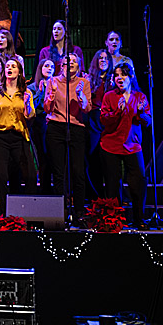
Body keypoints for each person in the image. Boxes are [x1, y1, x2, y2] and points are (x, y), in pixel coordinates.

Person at [99, 62, 150, 230]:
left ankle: (139, 219)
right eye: (117, 75)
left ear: (131, 77)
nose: (119, 78)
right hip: (111, 145)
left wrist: (141, 113)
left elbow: (147, 122)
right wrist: (117, 112)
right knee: (113, 184)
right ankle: (114, 221)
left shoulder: (140, 97)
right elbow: (104, 121)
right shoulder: (109, 96)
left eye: (123, 75)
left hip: (132, 145)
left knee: (138, 181)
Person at [0, 56, 36, 215]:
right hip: (0, 137)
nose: (10, 68)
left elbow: (30, 115)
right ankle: (4, 213)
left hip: (19, 137)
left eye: (13, 66)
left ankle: (27, 212)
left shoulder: (25, 92)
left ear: (19, 71)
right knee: (0, 175)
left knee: (30, 175)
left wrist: (27, 103)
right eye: (8, 66)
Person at [43, 54, 92, 219]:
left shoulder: (83, 83)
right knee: (58, 172)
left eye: (73, 62)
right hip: (56, 127)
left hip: (76, 127)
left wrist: (81, 97)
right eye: (66, 62)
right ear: (61, 65)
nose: (69, 64)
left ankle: (78, 211)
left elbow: (86, 108)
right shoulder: (53, 82)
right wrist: (51, 95)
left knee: (78, 171)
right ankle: (61, 211)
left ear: (78, 66)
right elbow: (47, 108)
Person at [85, 48, 114, 199]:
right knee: (93, 161)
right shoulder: (89, 80)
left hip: (109, 122)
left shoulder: (114, 79)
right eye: (100, 58)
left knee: (110, 164)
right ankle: (95, 198)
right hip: (94, 121)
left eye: (105, 58)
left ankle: (113, 200)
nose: (103, 61)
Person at [26, 58, 56, 194]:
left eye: (52, 67)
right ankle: (45, 189)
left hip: (54, 124)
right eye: (46, 66)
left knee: (53, 156)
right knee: (42, 157)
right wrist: (40, 91)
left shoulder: (57, 85)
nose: (49, 69)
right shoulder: (32, 87)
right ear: (40, 68)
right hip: (38, 124)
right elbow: (33, 106)